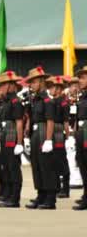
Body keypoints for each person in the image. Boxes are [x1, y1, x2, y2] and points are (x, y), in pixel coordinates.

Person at [24, 67, 56, 209]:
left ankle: (50, 198)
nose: (32, 85)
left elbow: (50, 121)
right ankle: (41, 194)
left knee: (46, 166)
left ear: (42, 82)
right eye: (31, 83)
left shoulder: (47, 100)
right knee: (36, 165)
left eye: (34, 82)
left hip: (44, 131)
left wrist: (49, 140)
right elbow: (31, 118)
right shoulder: (35, 99)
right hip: (36, 133)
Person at [0, 72, 25, 208]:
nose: (0, 89)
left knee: (13, 168)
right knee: (6, 167)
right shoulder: (5, 102)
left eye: (2, 85)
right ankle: (8, 195)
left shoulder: (16, 101)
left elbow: (19, 122)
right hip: (5, 135)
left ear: (10, 85)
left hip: (13, 136)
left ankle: (15, 198)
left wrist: (19, 143)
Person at [47, 76, 71, 199]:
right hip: (53, 131)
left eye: (52, 87)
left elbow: (66, 121)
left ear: (58, 88)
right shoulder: (53, 101)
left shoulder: (63, 102)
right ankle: (56, 187)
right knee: (53, 160)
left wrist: (68, 136)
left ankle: (65, 189)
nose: (50, 89)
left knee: (61, 159)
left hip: (58, 132)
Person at [73, 66, 87, 210]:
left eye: (83, 77)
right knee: (82, 163)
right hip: (82, 132)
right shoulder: (82, 96)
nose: (80, 80)